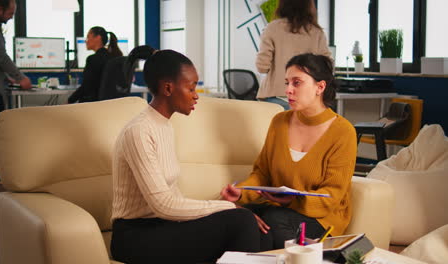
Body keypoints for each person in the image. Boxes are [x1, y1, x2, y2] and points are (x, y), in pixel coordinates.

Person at [110, 49, 261, 264]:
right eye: (191, 88)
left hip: (164, 226)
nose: (196, 94)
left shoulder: (164, 126)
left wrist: (220, 207)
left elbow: (174, 199)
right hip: (136, 236)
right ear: (168, 88)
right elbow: (162, 204)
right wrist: (227, 207)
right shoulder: (139, 131)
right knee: (242, 222)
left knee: (261, 233)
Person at [222, 53, 357, 251]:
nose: (288, 90)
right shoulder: (280, 121)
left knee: (273, 221)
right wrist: (241, 192)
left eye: (297, 83)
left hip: (321, 218)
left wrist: (293, 201)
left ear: (320, 87)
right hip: (279, 209)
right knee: (232, 215)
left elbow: (332, 195)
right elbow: (262, 174)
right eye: (287, 83)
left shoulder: (343, 132)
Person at [0, 0, 32, 182]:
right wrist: (20, 78)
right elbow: (1, 57)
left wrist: (7, 77)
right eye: (10, 13)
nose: (11, 17)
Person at [256, 0, 331, 110]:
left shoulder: (272, 28)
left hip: (277, 98)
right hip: (307, 98)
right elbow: (327, 67)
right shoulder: (316, 32)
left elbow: (262, 67)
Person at [68, 26, 123, 103]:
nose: (86, 41)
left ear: (98, 38)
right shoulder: (113, 57)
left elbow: (86, 87)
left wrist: (69, 100)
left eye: (88, 37)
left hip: (94, 104)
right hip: (110, 104)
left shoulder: (93, 59)